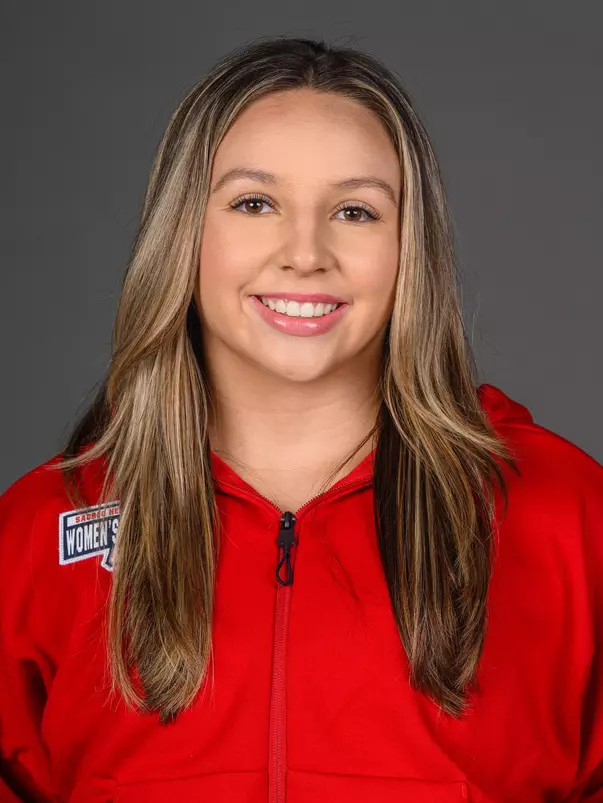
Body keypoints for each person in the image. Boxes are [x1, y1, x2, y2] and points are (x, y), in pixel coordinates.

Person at [0, 35, 601, 803]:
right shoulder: (43, 530)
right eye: (255, 202)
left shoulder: (564, 515)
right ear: (185, 231)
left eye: (355, 210)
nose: (305, 252)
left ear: (407, 247)